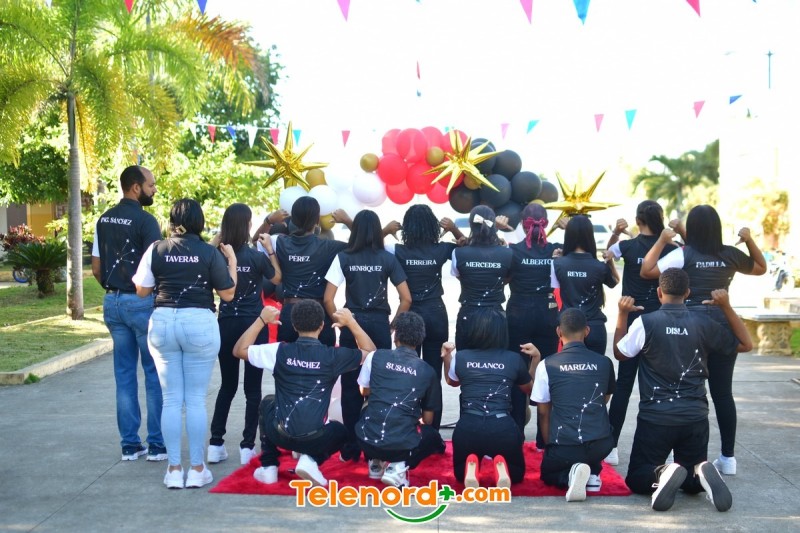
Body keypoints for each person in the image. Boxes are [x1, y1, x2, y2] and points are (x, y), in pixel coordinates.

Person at [640, 205, 766, 475]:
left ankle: (679, 454)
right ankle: (728, 458)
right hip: (722, 325)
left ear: (692, 229)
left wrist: (663, 240)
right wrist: (749, 240)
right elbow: (760, 268)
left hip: (690, 329)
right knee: (723, 393)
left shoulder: (683, 254)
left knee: (683, 388)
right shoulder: (730, 254)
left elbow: (647, 270)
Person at [614, 268, 752, 512]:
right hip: (694, 418)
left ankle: (663, 472)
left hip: (656, 418)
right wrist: (726, 307)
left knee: (637, 477)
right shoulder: (703, 323)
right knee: (690, 483)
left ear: (659, 292)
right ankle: (701, 474)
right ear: (687, 293)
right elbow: (745, 344)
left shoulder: (646, 322)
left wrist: (622, 314)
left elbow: (620, 353)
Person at [133, 198, 237, 489]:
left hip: (163, 322)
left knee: (170, 399)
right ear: (199, 222)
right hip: (198, 322)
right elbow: (228, 293)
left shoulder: (157, 249)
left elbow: (141, 290)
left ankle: (174, 470)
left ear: (171, 220)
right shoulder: (208, 252)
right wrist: (233, 263)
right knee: (194, 400)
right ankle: (197, 469)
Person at [232, 300, 376, 487]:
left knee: (267, 402)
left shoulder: (279, 351)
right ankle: (312, 459)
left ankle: (269, 466)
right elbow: (370, 351)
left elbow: (239, 350)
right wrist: (351, 322)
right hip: (316, 439)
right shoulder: (332, 356)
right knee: (341, 431)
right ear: (322, 326)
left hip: (280, 434)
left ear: (294, 325)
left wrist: (261, 320)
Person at [324, 209, 411, 461]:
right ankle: (378, 445)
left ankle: (351, 448)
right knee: (380, 386)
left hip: (352, 325)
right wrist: (392, 325)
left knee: (350, 387)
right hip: (379, 325)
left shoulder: (343, 257)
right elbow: (406, 298)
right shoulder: (387, 259)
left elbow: (328, 298)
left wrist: (339, 321)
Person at [91, 165, 166, 462]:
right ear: (136, 187)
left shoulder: (103, 219)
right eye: (151, 184)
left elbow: (96, 267)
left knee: (123, 375)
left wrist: (114, 290)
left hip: (112, 302)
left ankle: (130, 445)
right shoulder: (147, 222)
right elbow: (156, 266)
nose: (154, 189)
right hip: (141, 303)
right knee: (153, 373)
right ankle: (157, 444)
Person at [602, 201, 677, 466]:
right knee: (661, 385)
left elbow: (607, 254)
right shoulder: (671, 248)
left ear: (637, 220)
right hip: (660, 321)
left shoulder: (626, 246)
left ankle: (611, 447)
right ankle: (665, 449)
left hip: (632, 318)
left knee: (624, 385)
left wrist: (616, 233)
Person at [207, 203, 281, 466]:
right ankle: (247, 446)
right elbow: (277, 278)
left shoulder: (218, 255)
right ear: (248, 225)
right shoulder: (255, 257)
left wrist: (217, 241)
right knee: (252, 389)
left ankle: (215, 443)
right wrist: (270, 250)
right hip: (253, 326)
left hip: (227, 324)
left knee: (227, 386)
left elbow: (207, 257)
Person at [441, 307, 538, 488]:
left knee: (460, 474)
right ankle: (501, 464)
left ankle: (472, 463)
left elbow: (452, 381)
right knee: (517, 474)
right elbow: (529, 389)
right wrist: (535, 359)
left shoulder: (461, 357)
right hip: (503, 428)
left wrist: (447, 357)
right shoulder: (513, 359)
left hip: (468, 427)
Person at [387, 204, 464, 428]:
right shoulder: (442, 249)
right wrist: (454, 230)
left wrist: (385, 230)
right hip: (435, 313)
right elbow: (470, 247)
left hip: (410, 317)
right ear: (433, 226)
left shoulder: (397, 250)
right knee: (433, 375)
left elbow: (367, 244)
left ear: (407, 227)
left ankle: (409, 425)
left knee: (407, 371)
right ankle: (432, 431)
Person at [531, 308, 616, 502]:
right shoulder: (605, 362)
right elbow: (603, 399)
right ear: (587, 331)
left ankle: (569, 476)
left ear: (558, 332)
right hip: (601, 445)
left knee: (548, 473)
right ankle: (593, 472)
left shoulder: (547, 364)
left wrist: (550, 445)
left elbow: (543, 412)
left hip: (565, 446)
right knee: (591, 438)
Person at [356, 311, 445, 487]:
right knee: (431, 436)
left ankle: (375, 461)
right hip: (401, 446)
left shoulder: (375, 356)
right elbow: (428, 420)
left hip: (366, 440)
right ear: (420, 340)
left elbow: (363, 390)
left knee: (368, 405)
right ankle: (398, 466)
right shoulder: (427, 371)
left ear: (395, 336)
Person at [504, 203, 562, 437]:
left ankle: (516, 433)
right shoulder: (556, 251)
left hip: (518, 313)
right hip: (547, 314)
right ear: (545, 223)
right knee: (545, 372)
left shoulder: (514, 251)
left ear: (522, 224)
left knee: (518, 371)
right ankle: (543, 439)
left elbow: (504, 279)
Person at [256, 197, 346, 347]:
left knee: (289, 360)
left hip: (290, 312)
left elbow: (256, 241)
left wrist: (269, 221)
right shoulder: (328, 246)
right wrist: (347, 221)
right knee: (322, 361)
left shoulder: (279, 241)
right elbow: (362, 244)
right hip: (318, 313)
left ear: (293, 220)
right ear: (317, 221)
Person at [551, 215, 619, 355]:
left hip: (569, 328)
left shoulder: (557, 263)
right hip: (594, 326)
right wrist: (609, 261)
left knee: (569, 367)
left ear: (568, 235)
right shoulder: (599, 266)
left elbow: (556, 291)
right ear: (590, 236)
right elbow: (615, 282)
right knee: (596, 367)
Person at [451, 205, 514, 350]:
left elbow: (461, 277)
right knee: (497, 360)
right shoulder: (507, 253)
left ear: (470, 224)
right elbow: (508, 278)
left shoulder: (458, 253)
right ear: (493, 224)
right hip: (496, 316)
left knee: (466, 360)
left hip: (468, 314)